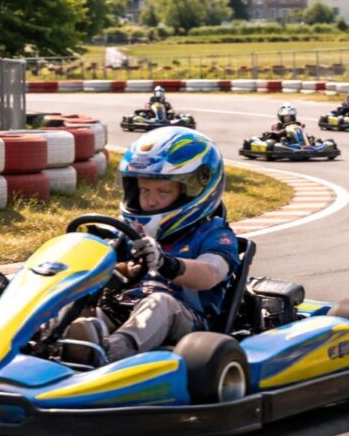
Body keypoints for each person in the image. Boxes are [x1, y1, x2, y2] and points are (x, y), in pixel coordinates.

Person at [65, 127, 237, 364]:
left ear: (194, 190)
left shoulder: (214, 233)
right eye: (144, 190)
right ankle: (47, 340)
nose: (150, 200)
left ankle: (108, 354)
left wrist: (168, 264)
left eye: (162, 191)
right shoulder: (131, 231)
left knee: (159, 302)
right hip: (125, 308)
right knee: (79, 294)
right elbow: (115, 267)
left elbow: (210, 273)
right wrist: (120, 267)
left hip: (186, 319)